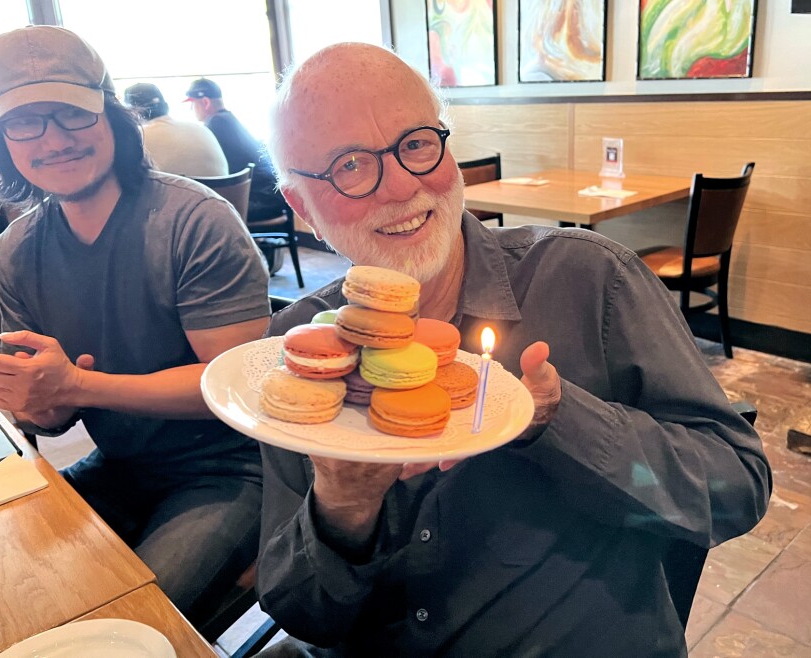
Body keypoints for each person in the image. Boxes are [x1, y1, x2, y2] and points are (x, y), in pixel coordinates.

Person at [253, 43, 772, 657]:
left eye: (416, 143)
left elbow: (735, 485)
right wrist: (342, 508)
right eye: (347, 166)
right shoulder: (299, 351)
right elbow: (299, 610)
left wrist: (557, 421)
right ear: (301, 207)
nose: (399, 185)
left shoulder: (588, 279)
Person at [0, 25, 271, 626]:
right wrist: (31, 399)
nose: (52, 140)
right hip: (118, 464)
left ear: (111, 115)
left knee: (123, 626)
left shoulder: (194, 221)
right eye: (24, 123)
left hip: (229, 473)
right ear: (1, 141)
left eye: (71, 115)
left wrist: (78, 387)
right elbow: (52, 416)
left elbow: (236, 389)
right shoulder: (19, 249)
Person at [185, 78, 285, 220]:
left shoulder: (216, 124)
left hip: (263, 202)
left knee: (201, 213)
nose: (191, 109)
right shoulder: (227, 119)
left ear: (205, 102)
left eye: (192, 104)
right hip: (272, 196)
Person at [123, 82, 228, 177]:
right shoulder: (202, 129)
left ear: (131, 113)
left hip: (184, 197)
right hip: (222, 196)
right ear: (165, 106)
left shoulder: (139, 138)